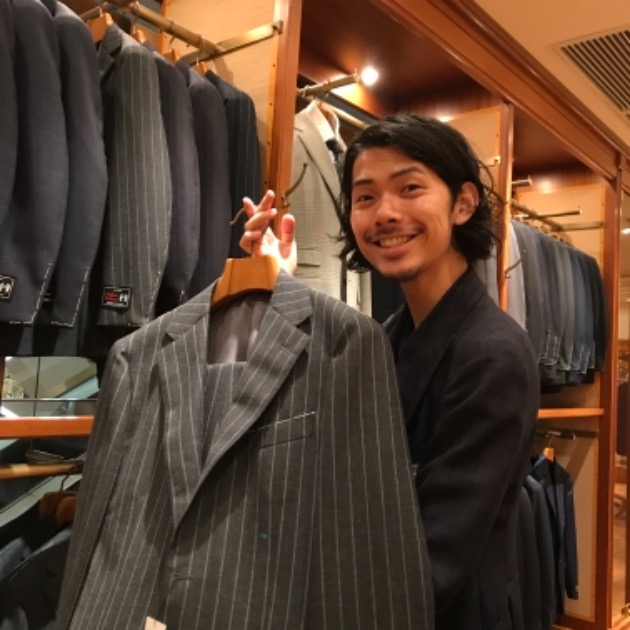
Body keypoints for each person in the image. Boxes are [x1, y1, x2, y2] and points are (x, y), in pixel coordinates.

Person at [240, 113, 540, 630]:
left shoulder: (493, 355)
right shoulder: (388, 335)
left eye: (410, 188)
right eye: (365, 197)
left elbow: (434, 561)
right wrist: (278, 290)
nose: (385, 213)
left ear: (463, 203)